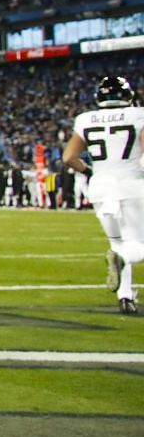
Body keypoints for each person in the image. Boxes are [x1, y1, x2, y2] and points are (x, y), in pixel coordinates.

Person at [61, 75, 144, 316]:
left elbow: (68, 158)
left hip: (100, 185)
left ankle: (125, 296)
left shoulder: (85, 119)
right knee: (134, 245)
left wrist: (90, 171)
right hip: (131, 183)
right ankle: (121, 263)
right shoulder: (138, 115)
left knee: (118, 242)